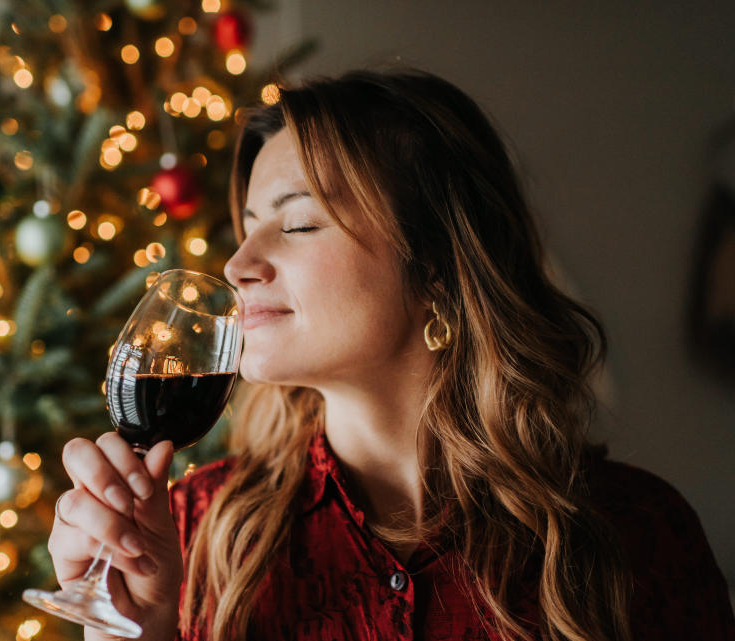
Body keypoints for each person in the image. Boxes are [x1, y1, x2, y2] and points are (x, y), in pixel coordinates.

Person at [46, 67, 735, 641]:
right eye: (248, 228)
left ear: (436, 264)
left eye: (299, 222)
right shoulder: (192, 529)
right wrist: (131, 628)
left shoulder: (637, 534)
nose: (238, 264)